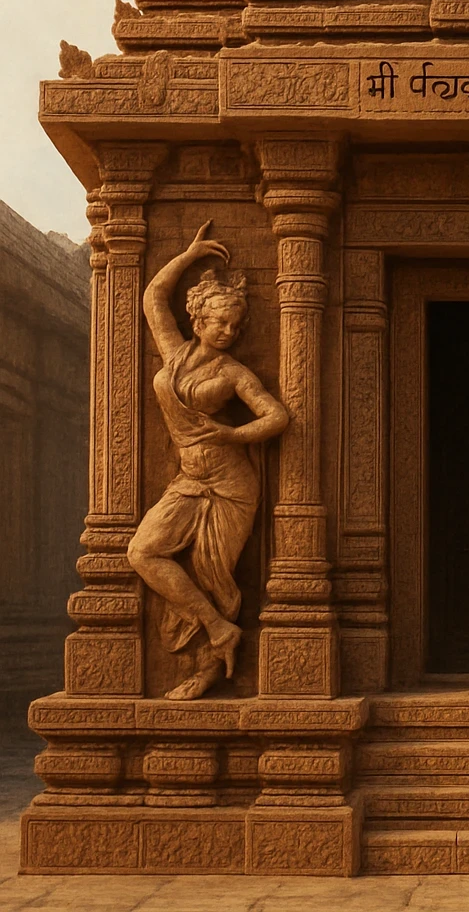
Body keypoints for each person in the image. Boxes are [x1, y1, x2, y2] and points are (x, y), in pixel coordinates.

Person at [127, 221, 288, 700]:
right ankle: (220, 629)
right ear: (198, 321)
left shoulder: (233, 372)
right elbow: (154, 297)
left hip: (231, 485)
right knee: (143, 551)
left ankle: (208, 671)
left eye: (236, 325)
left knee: (213, 575)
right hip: (188, 479)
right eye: (221, 322)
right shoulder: (174, 354)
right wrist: (189, 254)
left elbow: (276, 415)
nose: (230, 331)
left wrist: (233, 433)